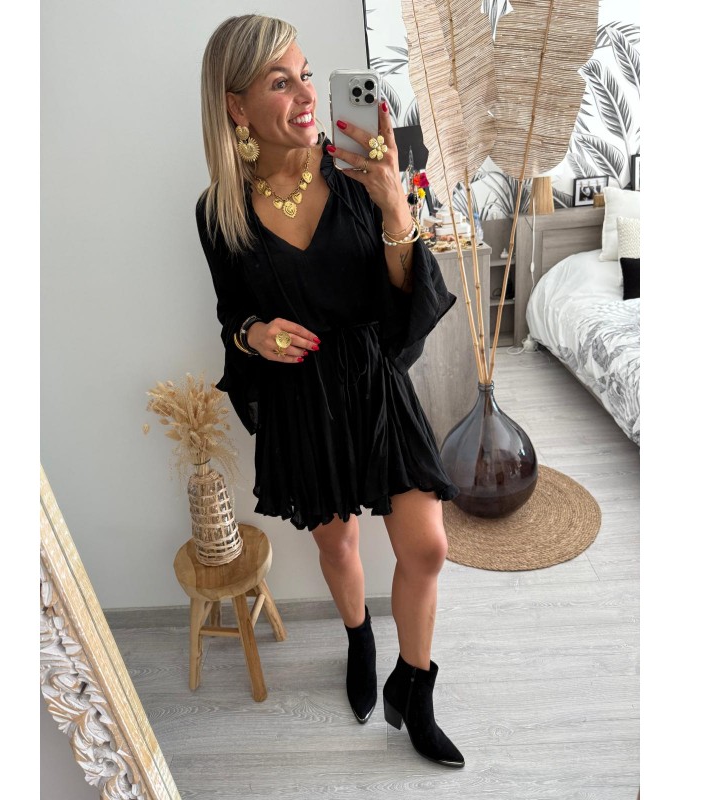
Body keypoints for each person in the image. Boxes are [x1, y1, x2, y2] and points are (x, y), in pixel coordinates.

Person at [195, 14, 464, 768]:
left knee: (427, 548)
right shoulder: (219, 212)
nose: (308, 95)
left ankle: (414, 686)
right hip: (301, 398)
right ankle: (359, 638)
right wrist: (255, 335)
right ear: (237, 107)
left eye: (307, 74)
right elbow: (231, 317)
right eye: (281, 82)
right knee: (338, 541)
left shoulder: (356, 171)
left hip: (374, 380)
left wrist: (393, 204)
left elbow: (404, 301)